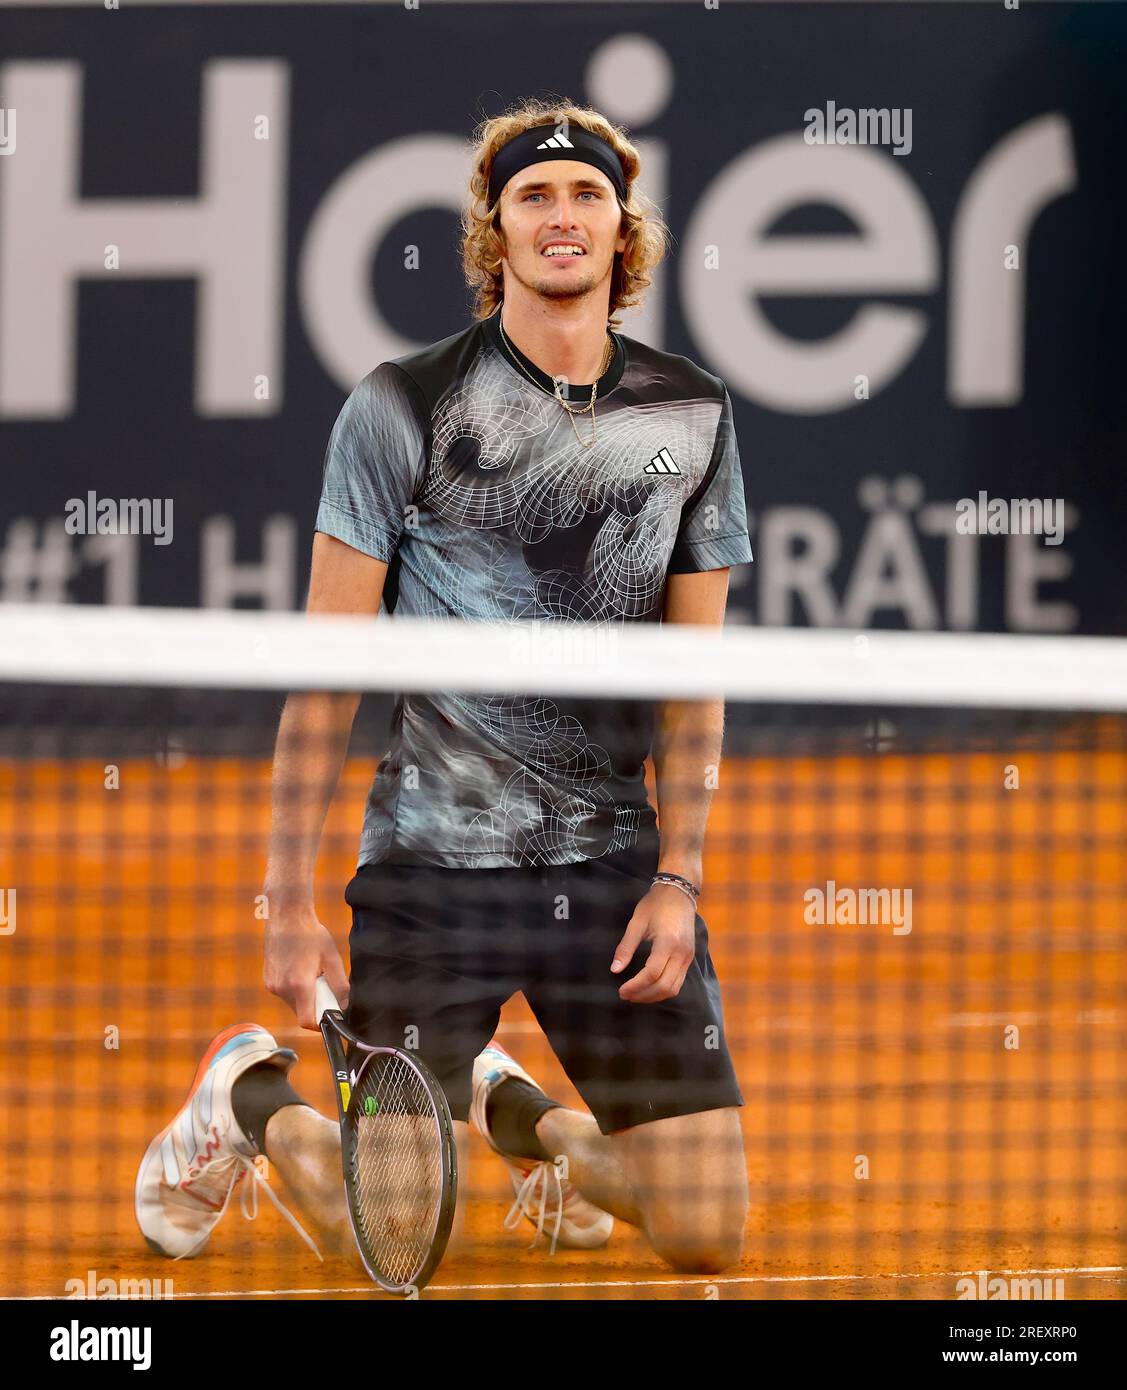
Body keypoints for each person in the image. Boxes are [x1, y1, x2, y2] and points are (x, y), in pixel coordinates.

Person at [136, 98, 753, 1276]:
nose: (561, 216)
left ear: (623, 230)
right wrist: (284, 892)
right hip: (429, 884)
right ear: (494, 230)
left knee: (705, 1232)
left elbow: (695, 681)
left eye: (586, 196)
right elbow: (329, 671)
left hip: (609, 870)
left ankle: (513, 1114)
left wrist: (680, 878)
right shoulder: (399, 405)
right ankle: (251, 1096)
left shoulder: (695, 412)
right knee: (406, 1252)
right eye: (534, 196)